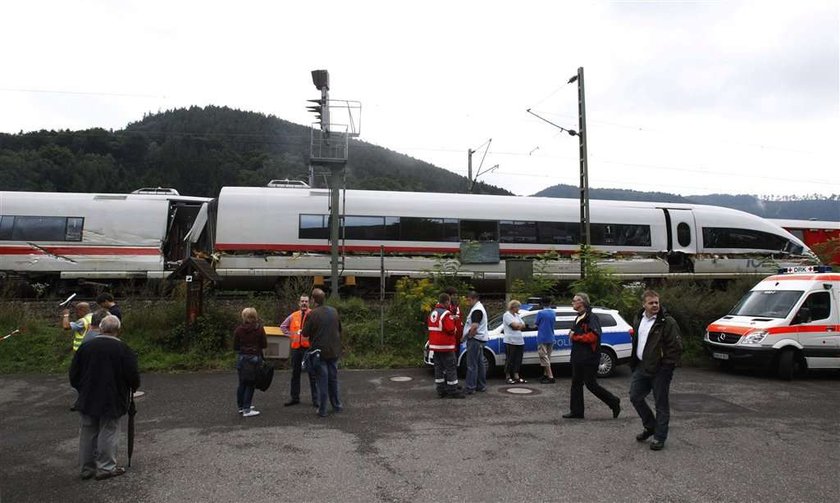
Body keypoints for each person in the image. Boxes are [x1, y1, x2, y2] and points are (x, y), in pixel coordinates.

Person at [69, 315, 140, 481]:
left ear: (100, 328)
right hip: (112, 396)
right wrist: (133, 388)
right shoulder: (123, 349)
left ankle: (86, 469)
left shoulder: (85, 347)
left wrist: (81, 388)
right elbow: (133, 375)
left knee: (87, 431)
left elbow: (74, 373)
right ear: (118, 330)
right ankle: (106, 468)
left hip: (87, 395)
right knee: (108, 430)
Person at [629, 290, 683, 451]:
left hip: (660, 370)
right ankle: (650, 426)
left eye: (656, 302)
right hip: (641, 366)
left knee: (661, 404)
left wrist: (666, 366)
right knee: (635, 396)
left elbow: (676, 347)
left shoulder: (667, 322)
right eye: (651, 303)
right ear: (643, 304)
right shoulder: (639, 319)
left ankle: (659, 437)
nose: (655, 305)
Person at [562, 293, 621, 419]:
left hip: (589, 357)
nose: (572, 302)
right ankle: (577, 411)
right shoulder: (578, 317)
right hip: (578, 356)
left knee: (591, 384)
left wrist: (576, 337)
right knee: (576, 383)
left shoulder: (591, 318)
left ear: (582, 303)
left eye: (575, 300)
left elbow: (594, 336)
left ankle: (613, 401)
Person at [302, 288, 343, 417]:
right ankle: (336, 405)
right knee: (333, 379)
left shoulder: (312, 314)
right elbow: (339, 329)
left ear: (313, 300)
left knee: (322, 381)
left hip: (319, 352)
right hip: (334, 351)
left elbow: (305, 333)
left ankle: (322, 409)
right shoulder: (334, 311)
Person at [280, 294, 318, 408]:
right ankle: (294, 398)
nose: (304, 303)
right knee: (295, 374)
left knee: (312, 374)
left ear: (309, 303)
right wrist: (291, 335)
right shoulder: (293, 315)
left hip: (308, 348)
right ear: (299, 303)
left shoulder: (313, 315)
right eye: (302, 301)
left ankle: (316, 400)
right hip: (296, 348)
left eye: (306, 301)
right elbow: (283, 326)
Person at [428, 292, 464, 398]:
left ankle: (441, 390)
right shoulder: (446, 314)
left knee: (438, 368)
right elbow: (451, 329)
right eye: (449, 301)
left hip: (435, 346)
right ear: (447, 301)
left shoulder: (433, 313)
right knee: (451, 368)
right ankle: (453, 390)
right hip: (446, 346)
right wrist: (456, 328)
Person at [233, 307, 267, 417]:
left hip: (242, 358)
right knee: (251, 384)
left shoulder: (238, 330)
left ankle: (241, 406)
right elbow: (264, 345)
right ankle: (247, 409)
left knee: (242, 383)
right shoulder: (259, 329)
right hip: (254, 358)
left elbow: (235, 346)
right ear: (255, 316)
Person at [462, 290, 488, 395]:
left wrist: (469, 335)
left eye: (469, 300)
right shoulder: (479, 308)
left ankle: (470, 387)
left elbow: (474, 326)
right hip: (480, 340)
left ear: (474, 299)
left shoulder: (477, 310)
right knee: (479, 364)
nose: (468, 302)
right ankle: (481, 385)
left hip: (475, 340)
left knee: (471, 364)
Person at [503, 300, 526, 384]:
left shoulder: (517, 315)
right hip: (510, 340)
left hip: (519, 340)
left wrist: (518, 326)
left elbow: (523, 325)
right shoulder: (507, 315)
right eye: (518, 307)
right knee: (510, 359)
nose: (519, 309)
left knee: (518, 359)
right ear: (513, 307)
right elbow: (514, 326)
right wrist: (518, 326)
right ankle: (508, 376)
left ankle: (516, 376)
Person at [534, 297, 556, 384]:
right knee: (548, 357)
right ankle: (545, 374)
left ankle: (550, 376)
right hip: (551, 336)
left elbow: (536, 323)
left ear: (542, 304)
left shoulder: (540, 313)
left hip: (542, 337)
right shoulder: (553, 313)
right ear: (550, 303)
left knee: (543, 356)